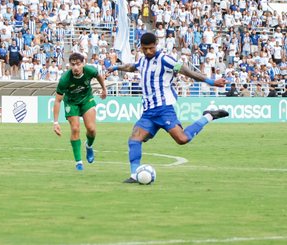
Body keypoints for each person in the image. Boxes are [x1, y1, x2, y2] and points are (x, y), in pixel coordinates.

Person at [107, 33, 229, 183]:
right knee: (134, 139)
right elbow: (132, 66)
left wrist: (211, 81)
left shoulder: (165, 59)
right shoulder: (143, 61)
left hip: (164, 109)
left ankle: (209, 116)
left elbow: (185, 70)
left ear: (156, 44)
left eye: (151, 48)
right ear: (141, 47)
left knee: (182, 139)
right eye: (145, 49)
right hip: (148, 112)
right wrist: (115, 67)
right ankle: (134, 175)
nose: (148, 52)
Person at [52, 52, 108, 171]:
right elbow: (57, 100)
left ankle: (88, 145)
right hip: (71, 102)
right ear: (69, 65)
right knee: (75, 128)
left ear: (83, 63)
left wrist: (104, 89)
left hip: (86, 99)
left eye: (78, 64)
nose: (76, 67)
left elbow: (98, 76)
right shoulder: (65, 79)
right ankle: (79, 163)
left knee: (91, 129)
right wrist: (55, 122)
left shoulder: (90, 70)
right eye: (73, 65)